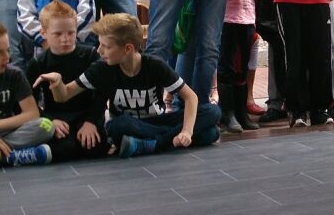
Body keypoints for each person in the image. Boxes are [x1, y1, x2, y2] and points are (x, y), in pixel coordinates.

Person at [36, 13, 220, 157]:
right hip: (129, 125)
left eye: (106, 46)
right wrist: (58, 82)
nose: (99, 51)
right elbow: (64, 95)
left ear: (128, 48)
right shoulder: (101, 69)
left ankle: (154, 143)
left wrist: (186, 131)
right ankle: (164, 140)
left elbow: (190, 97)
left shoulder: (154, 65)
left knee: (213, 113)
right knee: (118, 125)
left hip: (155, 121)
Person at [26, 0, 109, 160]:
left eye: (71, 33)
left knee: (95, 147)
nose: (65, 39)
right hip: (56, 116)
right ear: (44, 33)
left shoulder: (90, 55)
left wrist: (91, 121)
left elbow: (102, 93)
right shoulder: (38, 63)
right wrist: (50, 120)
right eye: (58, 34)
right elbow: (30, 102)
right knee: (65, 149)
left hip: (85, 114)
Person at [0, 19, 53, 167]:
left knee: (46, 126)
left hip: (6, 132)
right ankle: (12, 157)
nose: (7, 57)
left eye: (7, 50)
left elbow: (32, 114)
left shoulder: (14, 74)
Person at [218, 0, 265, 133]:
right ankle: (227, 114)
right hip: (228, 20)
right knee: (226, 67)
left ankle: (241, 113)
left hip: (247, 19)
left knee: (243, 68)